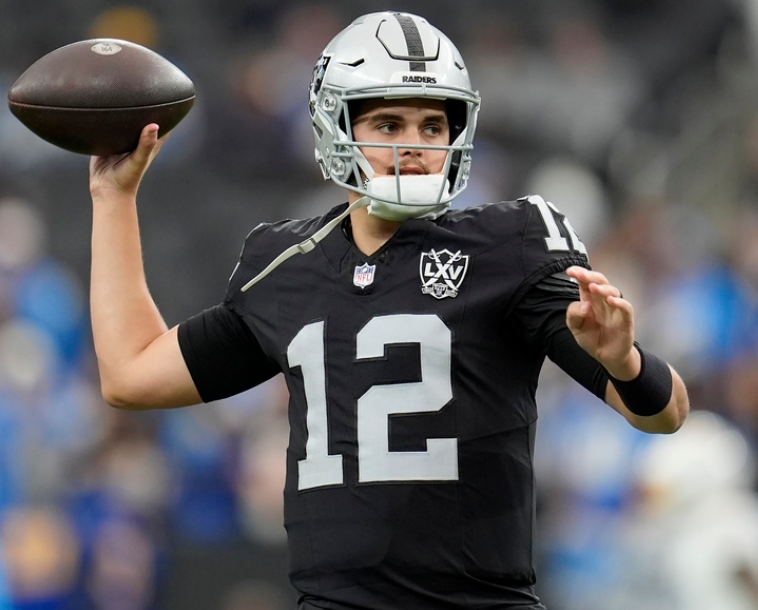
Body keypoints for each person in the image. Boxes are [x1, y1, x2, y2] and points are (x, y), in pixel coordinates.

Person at [86, 11, 690, 610]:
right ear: (336, 126)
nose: (416, 146)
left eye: (434, 126)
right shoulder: (286, 264)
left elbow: (665, 413)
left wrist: (623, 360)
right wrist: (114, 197)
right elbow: (131, 374)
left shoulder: (510, 244)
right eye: (389, 123)